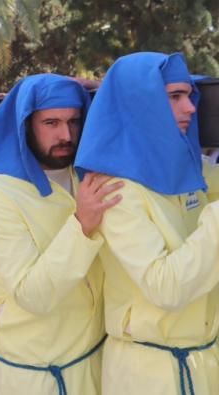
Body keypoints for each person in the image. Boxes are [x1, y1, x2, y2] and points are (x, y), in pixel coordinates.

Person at [76, 52, 219, 395]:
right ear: (140, 103)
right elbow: (165, 288)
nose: (191, 108)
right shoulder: (114, 189)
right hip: (149, 374)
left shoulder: (190, 170)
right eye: (175, 97)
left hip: (203, 364)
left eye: (189, 95)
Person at [0, 73, 110, 395]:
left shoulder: (87, 172)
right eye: (51, 123)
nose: (66, 134)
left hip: (93, 359)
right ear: (26, 123)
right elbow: (33, 295)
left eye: (74, 121)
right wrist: (82, 224)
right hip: (30, 373)